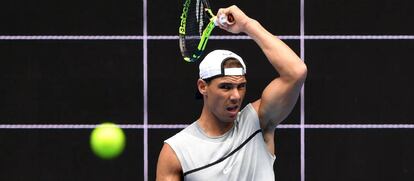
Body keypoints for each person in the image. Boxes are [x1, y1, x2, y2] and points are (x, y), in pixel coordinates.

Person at [156, 5, 307, 181]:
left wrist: (247, 25)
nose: (236, 96)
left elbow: (296, 72)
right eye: (225, 87)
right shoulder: (176, 151)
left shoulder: (258, 122)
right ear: (203, 87)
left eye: (241, 86)